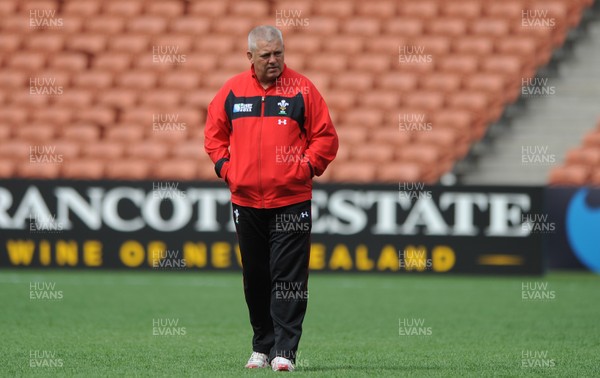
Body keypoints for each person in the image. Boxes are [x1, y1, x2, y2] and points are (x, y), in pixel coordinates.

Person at [204, 25, 338, 372]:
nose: (274, 60)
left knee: (288, 278)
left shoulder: (303, 90)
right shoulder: (232, 91)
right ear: (250, 56)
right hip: (246, 201)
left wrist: (305, 168)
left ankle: (285, 352)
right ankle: (261, 347)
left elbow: (325, 137)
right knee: (256, 276)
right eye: (266, 55)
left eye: (279, 53)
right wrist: (227, 169)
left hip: (291, 200)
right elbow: (213, 135)